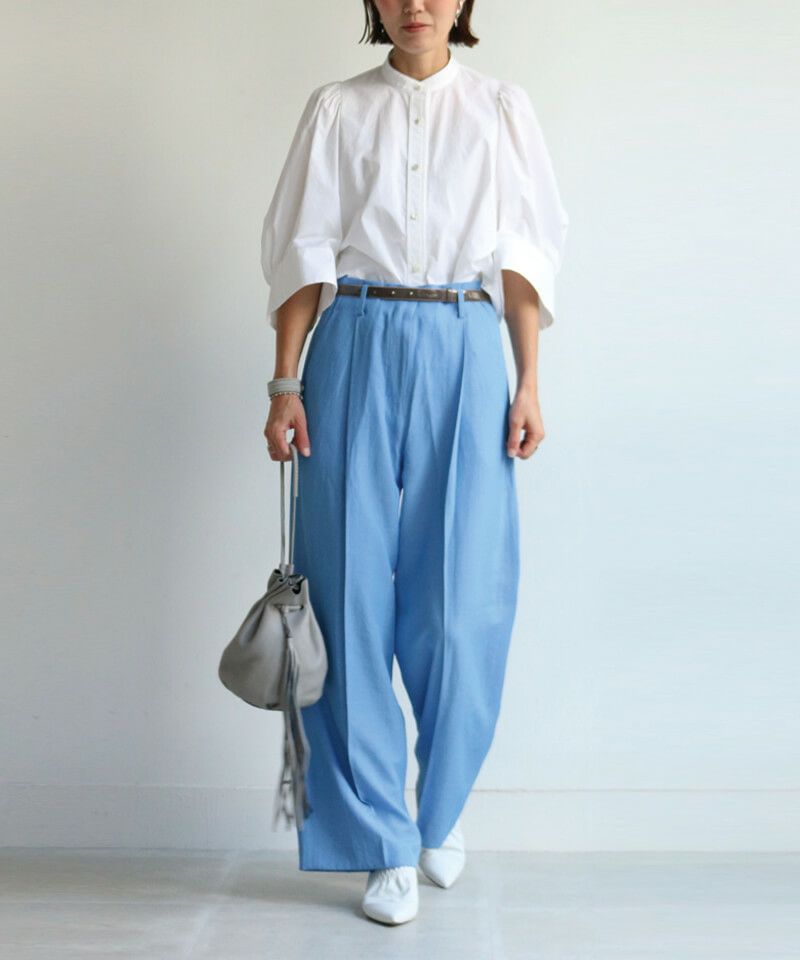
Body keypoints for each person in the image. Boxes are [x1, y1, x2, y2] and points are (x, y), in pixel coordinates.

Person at [260, 0, 568, 926]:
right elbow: (302, 254)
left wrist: (528, 381)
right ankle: (380, 840)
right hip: (354, 338)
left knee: (462, 603)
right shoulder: (337, 108)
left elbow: (524, 257)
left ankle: (437, 808)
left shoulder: (503, 108)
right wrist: (285, 383)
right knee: (346, 595)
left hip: (467, 345)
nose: (415, 4)